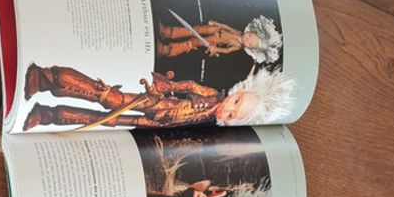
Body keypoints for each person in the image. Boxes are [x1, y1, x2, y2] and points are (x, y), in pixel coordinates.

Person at [21, 64, 296, 130]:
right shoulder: (212, 96)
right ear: (238, 91)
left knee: (107, 120)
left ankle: (46, 115)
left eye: (233, 115)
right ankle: (47, 78)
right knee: (108, 98)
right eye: (235, 102)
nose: (228, 109)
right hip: (159, 103)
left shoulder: (209, 123)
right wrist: (167, 87)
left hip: (156, 122)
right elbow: (190, 85)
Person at [157, 15, 282, 62]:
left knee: (191, 43)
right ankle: (168, 32)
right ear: (252, 31)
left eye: (249, 44)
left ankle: (167, 50)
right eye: (250, 36)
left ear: (250, 49)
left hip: (215, 40)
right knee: (193, 30)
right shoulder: (238, 32)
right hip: (215, 30)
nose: (246, 40)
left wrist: (216, 49)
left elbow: (226, 51)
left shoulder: (237, 46)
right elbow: (227, 27)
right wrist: (217, 23)